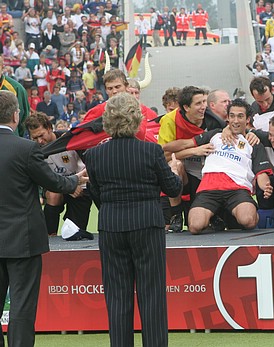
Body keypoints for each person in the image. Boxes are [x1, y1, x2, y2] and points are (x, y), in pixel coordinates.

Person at [84, 93, 182, 347]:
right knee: (152, 294)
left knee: (117, 296)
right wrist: (174, 172)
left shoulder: (94, 155)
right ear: (137, 119)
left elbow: (96, 194)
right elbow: (172, 189)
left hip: (111, 226)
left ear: (108, 121)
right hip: (147, 225)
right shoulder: (151, 151)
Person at [0, 90, 85, 347]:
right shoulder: (26, 149)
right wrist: (74, 181)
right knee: (22, 306)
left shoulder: (25, 148)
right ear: (16, 115)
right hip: (22, 240)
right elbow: (51, 181)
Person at [186, 99, 273, 234]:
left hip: (237, 189)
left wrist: (265, 187)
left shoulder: (253, 141)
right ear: (227, 118)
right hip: (210, 188)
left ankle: (234, 213)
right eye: (232, 116)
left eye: (240, 116)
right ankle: (215, 217)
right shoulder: (215, 135)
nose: (235, 120)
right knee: (195, 226)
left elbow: (261, 173)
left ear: (247, 119)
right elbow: (177, 147)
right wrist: (194, 151)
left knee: (248, 220)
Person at [158, 86, 226, 232]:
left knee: (197, 226)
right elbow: (163, 156)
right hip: (181, 176)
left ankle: (214, 212)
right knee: (175, 165)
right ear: (186, 107)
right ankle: (176, 214)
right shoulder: (169, 120)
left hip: (204, 174)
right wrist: (194, 150)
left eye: (204, 102)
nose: (203, 107)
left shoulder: (214, 120)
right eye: (198, 104)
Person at [25, 112, 92, 236]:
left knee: (74, 232)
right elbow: (41, 177)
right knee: (53, 195)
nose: (39, 141)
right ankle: (49, 236)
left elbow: (91, 164)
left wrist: (76, 183)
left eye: (41, 135)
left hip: (80, 188)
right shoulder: (34, 150)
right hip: (57, 187)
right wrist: (68, 187)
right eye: (34, 138)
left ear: (50, 128)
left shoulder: (69, 140)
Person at [0, 55, 30, 137]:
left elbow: (24, 117)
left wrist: (17, 136)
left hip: (11, 139)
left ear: (2, 68)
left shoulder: (16, 88)